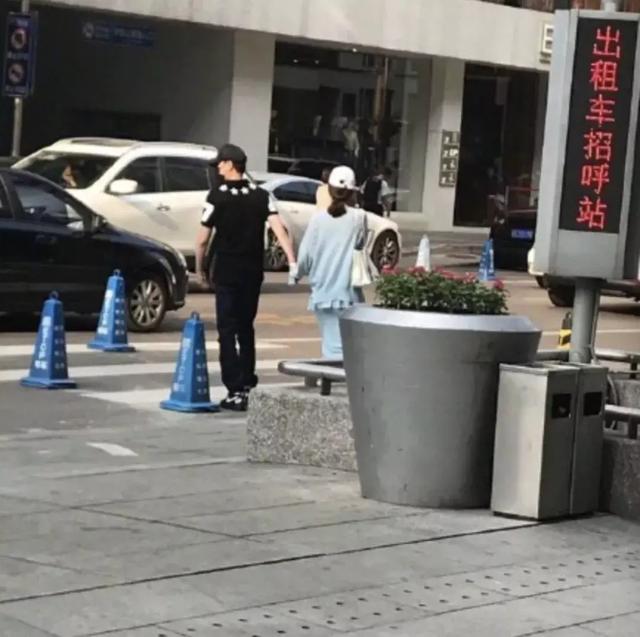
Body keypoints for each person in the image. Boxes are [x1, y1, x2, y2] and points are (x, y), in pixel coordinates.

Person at [195, 143, 296, 412]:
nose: (218, 167)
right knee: (245, 327)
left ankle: (234, 388)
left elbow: (202, 239)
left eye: (220, 163)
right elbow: (279, 229)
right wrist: (292, 260)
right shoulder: (262, 196)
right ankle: (248, 382)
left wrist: (199, 268)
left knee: (227, 330)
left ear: (230, 165)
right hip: (252, 272)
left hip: (226, 270)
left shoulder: (216, 196)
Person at [295, 166, 365, 359]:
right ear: (352, 191)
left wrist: (297, 274)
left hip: (322, 292)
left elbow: (305, 255)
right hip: (349, 293)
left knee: (331, 346)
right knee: (348, 347)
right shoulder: (359, 217)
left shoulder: (318, 219)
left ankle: (331, 375)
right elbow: (360, 245)